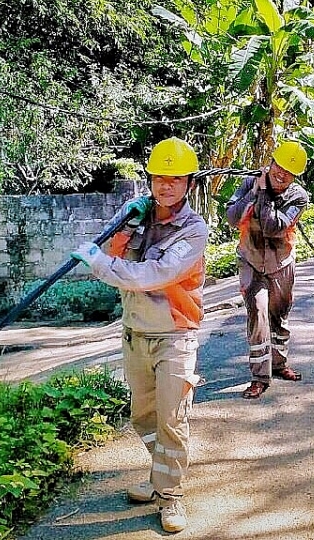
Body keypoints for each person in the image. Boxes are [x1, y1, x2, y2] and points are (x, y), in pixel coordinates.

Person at [71, 137, 207, 533]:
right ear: (150, 180)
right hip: (135, 334)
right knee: (143, 416)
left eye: (175, 180)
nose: (166, 187)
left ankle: (172, 495)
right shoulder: (139, 217)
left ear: (189, 184)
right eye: (158, 179)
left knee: (172, 418)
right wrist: (125, 223)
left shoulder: (194, 231)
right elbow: (117, 255)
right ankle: (158, 477)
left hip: (174, 336)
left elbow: (154, 275)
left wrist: (98, 265)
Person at [226, 140, 310, 400]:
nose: (281, 174)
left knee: (278, 316)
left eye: (288, 172)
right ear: (271, 162)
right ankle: (260, 376)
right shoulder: (249, 183)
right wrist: (255, 192)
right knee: (258, 313)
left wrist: (264, 195)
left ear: (294, 177)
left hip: (281, 263)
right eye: (278, 166)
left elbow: (273, 227)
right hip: (251, 260)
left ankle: (279, 364)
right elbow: (231, 217)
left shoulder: (298, 197)